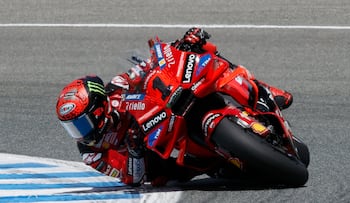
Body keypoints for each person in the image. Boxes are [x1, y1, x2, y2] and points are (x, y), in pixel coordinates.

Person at [55, 27, 293, 187]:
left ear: (98, 108)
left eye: (80, 124)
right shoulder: (92, 154)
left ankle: (263, 90)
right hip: (157, 159)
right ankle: (221, 158)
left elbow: (145, 69)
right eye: (72, 127)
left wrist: (180, 47)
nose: (79, 133)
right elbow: (132, 179)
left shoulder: (116, 88)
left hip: (166, 115)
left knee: (207, 56)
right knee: (179, 177)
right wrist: (135, 150)